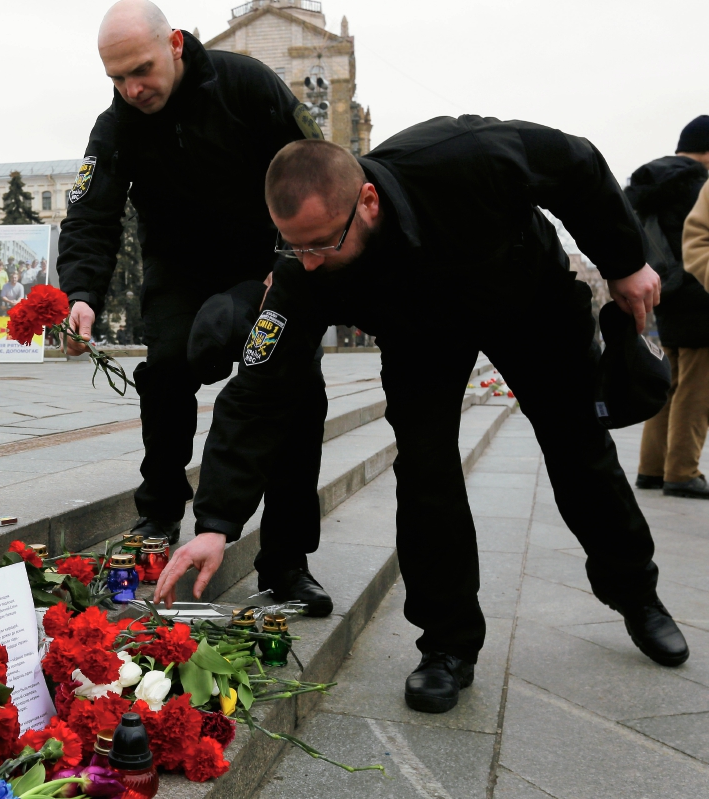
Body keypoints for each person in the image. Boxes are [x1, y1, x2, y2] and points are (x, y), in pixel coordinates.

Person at [156, 119, 690, 715]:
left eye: (322, 245)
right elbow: (257, 390)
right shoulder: (301, 269)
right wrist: (216, 522)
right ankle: (446, 646)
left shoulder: (462, 157)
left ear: (368, 200)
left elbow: (575, 163)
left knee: (578, 449)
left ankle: (637, 594)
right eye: (293, 246)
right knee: (426, 473)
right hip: (421, 337)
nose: (306, 263)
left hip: (524, 297)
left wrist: (624, 261)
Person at [56, 0, 331, 608]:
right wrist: (80, 293)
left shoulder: (247, 86)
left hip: (270, 266)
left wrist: (290, 265)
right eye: (117, 79)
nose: (133, 89)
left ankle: (286, 561)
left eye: (142, 70)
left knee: (295, 394)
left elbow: (316, 172)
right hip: (180, 271)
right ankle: (157, 517)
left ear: (175, 44)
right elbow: (90, 213)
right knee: (169, 370)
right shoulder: (116, 125)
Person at [630, 115, 709, 499]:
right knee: (697, 392)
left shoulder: (656, 182)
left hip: (666, 296)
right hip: (701, 297)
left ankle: (651, 468)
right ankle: (682, 471)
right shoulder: (697, 185)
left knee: (671, 386)